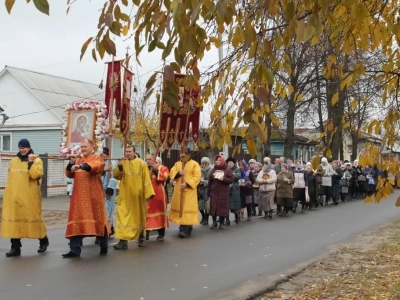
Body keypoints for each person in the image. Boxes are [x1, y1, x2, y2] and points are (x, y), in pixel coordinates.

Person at [1, 138, 49, 257]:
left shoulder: (37, 160)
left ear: (29, 147)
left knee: (34, 219)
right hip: (14, 197)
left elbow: (35, 175)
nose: (22, 150)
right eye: (20, 148)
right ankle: (15, 247)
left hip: (30, 197)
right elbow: (10, 178)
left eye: (24, 148)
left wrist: (30, 162)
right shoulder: (14, 161)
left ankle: (43, 241)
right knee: (14, 222)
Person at [63, 138, 110, 258]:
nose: (83, 149)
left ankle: (103, 245)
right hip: (78, 198)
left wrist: (82, 166)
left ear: (92, 147)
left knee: (98, 220)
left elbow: (95, 167)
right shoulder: (78, 159)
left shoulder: (97, 158)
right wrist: (71, 164)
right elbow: (69, 174)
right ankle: (74, 249)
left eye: (85, 147)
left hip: (93, 197)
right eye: (82, 147)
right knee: (77, 221)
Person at [113, 145, 155, 249]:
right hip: (125, 196)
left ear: (134, 152)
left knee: (139, 217)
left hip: (137, 197)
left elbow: (146, 179)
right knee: (122, 217)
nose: (127, 153)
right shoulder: (123, 162)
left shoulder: (141, 163)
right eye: (126, 151)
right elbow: (116, 175)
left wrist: (148, 193)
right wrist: (119, 165)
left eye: (130, 151)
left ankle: (142, 238)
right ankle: (123, 241)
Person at [169, 147, 201, 238]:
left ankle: (184, 229)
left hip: (189, 191)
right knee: (181, 209)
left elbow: (197, 176)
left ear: (188, 155)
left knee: (187, 209)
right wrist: (179, 173)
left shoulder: (195, 164)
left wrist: (187, 184)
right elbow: (172, 173)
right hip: (179, 191)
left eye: (184, 154)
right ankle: (187, 227)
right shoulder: (177, 164)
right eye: (181, 154)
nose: (182, 156)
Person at [145, 154, 169, 241]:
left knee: (160, 214)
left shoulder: (162, 168)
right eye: (146, 159)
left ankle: (161, 233)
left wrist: (155, 169)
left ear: (154, 160)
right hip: (147, 195)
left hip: (158, 195)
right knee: (146, 214)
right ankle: (145, 234)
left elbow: (164, 178)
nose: (148, 161)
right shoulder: (144, 168)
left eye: (150, 159)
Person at [207, 155, 234, 230]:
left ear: (222, 161)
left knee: (222, 207)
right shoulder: (213, 169)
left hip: (223, 192)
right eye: (217, 160)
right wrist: (208, 192)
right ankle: (214, 222)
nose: (218, 161)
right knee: (213, 207)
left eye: (219, 160)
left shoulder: (227, 169)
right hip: (214, 191)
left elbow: (231, 180)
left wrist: (223, 179)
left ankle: (221, 223)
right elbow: (210, 182)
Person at [97, 147, 117, 243]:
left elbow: (114, 176)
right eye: (101, 154)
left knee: (107, 210)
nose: (102, 156)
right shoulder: (98, 163)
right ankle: (98, 231)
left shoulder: (112, 163)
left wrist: (110, 189)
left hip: (107, 190)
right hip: (98, 190)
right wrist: (103, 170)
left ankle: (107, 230)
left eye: (104, 154)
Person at [226, 157, 241, 225]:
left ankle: (237, 217)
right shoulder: (225, 169)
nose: (229, 164)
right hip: (227, 188)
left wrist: (231, 175)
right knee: (226, 205)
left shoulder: (237, 169)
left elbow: (238, 177)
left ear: (233, 163)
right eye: (228, 163)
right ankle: (227, 220)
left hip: (235, 188)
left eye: (231, 163)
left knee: (235, 205)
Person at [199, 157, 212, 225]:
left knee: (207, 205)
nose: (204, 165)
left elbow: (212, 181)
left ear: (208, 163)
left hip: (207, 189)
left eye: (205, 163)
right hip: (200, 189)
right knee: (200, 205)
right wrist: (199, 181)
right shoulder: (198, 170)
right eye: (202, 163)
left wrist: (205, 182)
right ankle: (203, 216)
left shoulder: (211, 170)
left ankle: (206, 219)